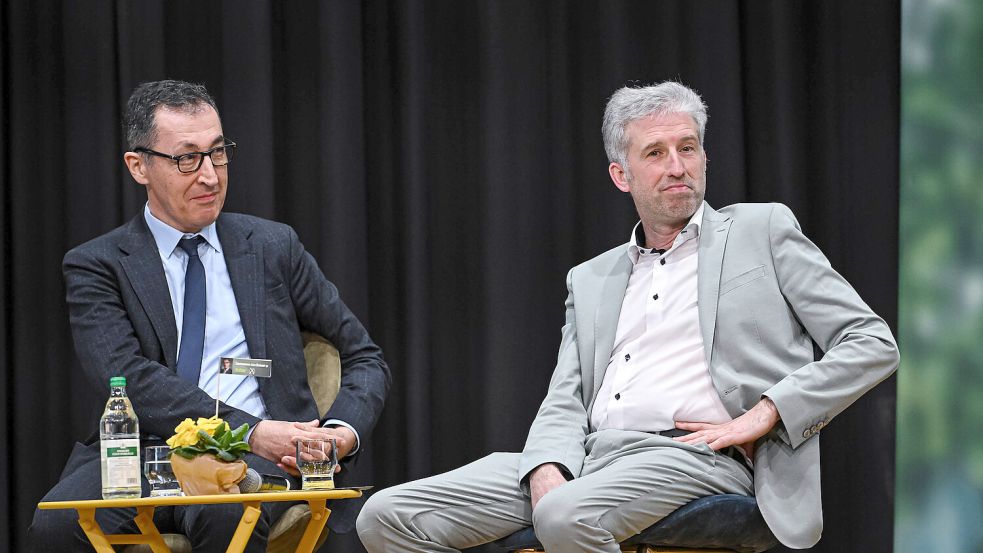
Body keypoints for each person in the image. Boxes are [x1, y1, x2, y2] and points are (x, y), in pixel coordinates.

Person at [356, 81, 899, 552]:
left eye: (688, 148)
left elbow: (871, 341)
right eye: (656, 153)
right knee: (386, 516)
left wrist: (768, 412)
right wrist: (546, 461)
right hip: (592, 457)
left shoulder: (763, 231)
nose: (678, 166)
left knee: (566, 514)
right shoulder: (591, 277)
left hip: (696, 456)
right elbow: (566, 394)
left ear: (706, 158)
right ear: (622, 174)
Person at [28, 80, 390, 552]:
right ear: (139, 166)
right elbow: (128, 376)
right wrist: (250, 432)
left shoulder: (272, 247)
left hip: (257, 464)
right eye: (187, 158)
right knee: (54, 528)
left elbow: (364, 356)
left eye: (218, 153)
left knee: (224, 514)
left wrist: (339, 435)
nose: (210, 176)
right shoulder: (98, 264)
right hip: (142, 457)